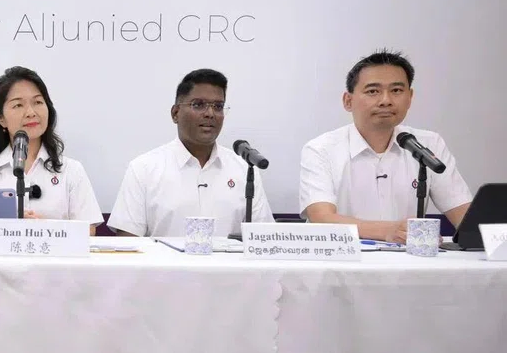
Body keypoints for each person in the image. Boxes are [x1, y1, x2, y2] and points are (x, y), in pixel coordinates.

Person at [299, 49, 472, 242]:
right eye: (373, 91)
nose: (386, 101)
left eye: (396, 90)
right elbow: (321, 218)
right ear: (348, 101)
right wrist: (388, 231)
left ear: (410, 97)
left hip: (411, 265)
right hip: (346, 264)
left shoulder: (428, 144)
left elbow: (464, 216)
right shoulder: (321, 149)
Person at [108, 68, 273, 237]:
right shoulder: (143, 168)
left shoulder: (243, 169)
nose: (210, 113)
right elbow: (128, 244)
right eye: (198, 105)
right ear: (175, 113)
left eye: (218, 106)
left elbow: (264, 239)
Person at [0, 66, 103, 235]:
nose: (31, 112)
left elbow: (89, 231)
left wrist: (43, 230)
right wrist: (10, 227)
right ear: (0, 118)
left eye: (38, 102)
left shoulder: (71, 170)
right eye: (18, 105)